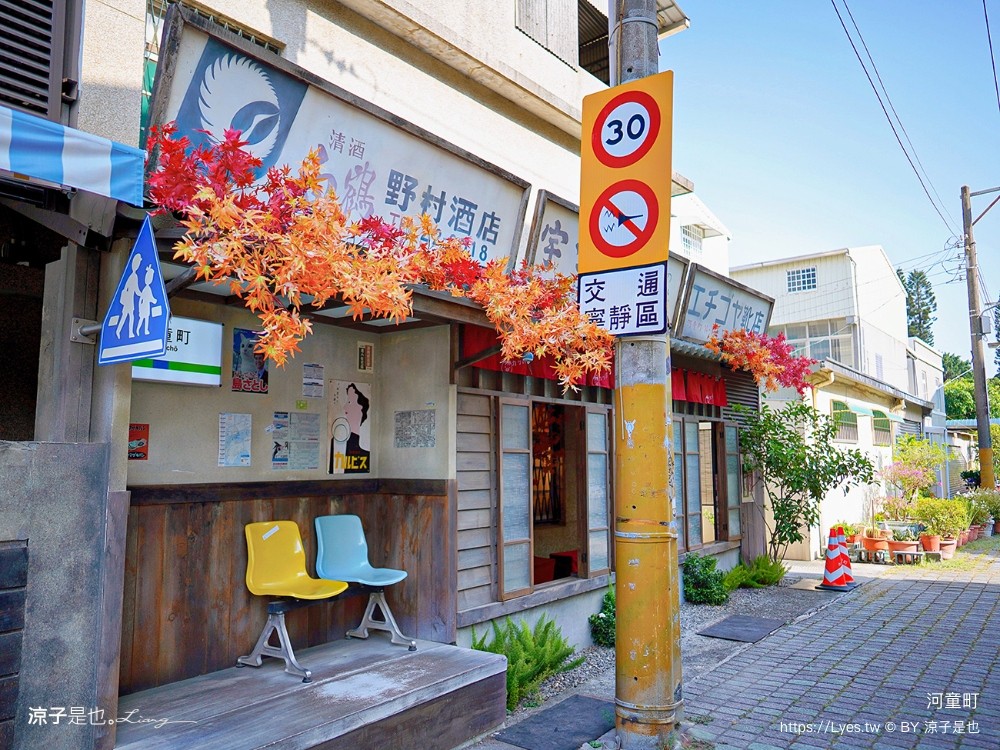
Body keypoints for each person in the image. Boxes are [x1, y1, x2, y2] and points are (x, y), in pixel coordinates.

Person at [342, 383, 371, 473]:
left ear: (361, 409)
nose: (345, 407)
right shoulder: (337, 444)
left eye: (350, 401)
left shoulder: (367, 453)